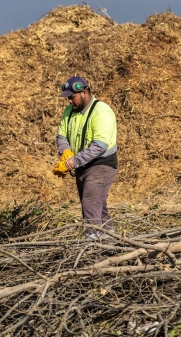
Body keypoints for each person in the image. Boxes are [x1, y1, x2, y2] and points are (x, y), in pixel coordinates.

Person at [52, 76, 118, 238]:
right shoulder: (69, 111)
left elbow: (99, 145)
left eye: (72, 96)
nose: (69, 101)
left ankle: (92, 246)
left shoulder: (101, 111)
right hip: (83, 165)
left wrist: (73, 162)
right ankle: (110, 240)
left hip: (101, 164)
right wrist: (65, 152)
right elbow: (61, 135)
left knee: (90, 203)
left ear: (84, 93)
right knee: (97, 205)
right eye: (67, 97)